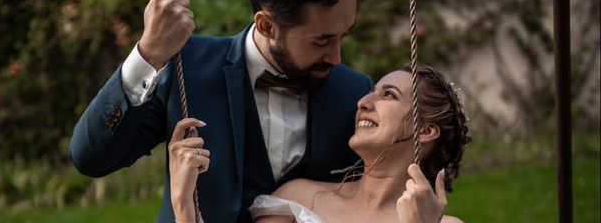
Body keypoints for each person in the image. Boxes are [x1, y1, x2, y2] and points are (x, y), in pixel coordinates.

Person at [69, 0, 373, 223]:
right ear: (266, 25)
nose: (337, 58)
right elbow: (91, 158)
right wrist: (148, 54)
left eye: (344, 36)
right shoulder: (187, 67)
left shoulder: (355, 93)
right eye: (322, 42)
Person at [168, 65, 470, 223]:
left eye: (388, 95)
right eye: (371, 93)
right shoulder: (298, 198)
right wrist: (183, 205)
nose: (363, 102)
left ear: (426, 130)